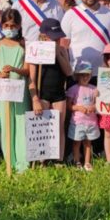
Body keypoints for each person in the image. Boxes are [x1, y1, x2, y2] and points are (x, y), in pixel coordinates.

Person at [28, 18, 73, 164]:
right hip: (43, 93)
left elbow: (68, 72)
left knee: (58, 127)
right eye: (53, 37)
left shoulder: (62, 50)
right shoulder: (35, 51)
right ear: (43, 36)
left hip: (59, 93)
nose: (56, 40)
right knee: (43, 127)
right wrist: (35, 99)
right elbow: (32, 79)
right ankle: (41, 159)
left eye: (58, 37)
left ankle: (58, 160)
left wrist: (58, 53)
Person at [0, 8, 30, 174]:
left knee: (21, 123)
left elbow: (28, 70)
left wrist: (15, 69)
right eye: (6, 25)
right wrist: (1, 75)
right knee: (7, 124)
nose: (9, 28)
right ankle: (10, 161)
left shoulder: (24, 45)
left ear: (19, 25)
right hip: (3, 90)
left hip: (20, 88)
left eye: (13, 25)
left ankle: (23, 162)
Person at [61, 0, 110, 75]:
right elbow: (64, 45)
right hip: (78, 72)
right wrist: (67, 70)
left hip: (104, 72)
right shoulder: (70, 14)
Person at [67, 60, 99, 172]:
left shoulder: (94, 89)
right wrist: (78, 108)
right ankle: (77, 161)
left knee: (88, 143)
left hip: (91, 122)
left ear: (91, 75)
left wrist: (93, 107)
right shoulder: (73, 89)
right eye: (82, 75)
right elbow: (69, 106)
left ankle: (87, 162)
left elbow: (98, 104)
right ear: (77, 76)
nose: (85, 77)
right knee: (76, 143)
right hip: (77, 122)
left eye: (87, 75)